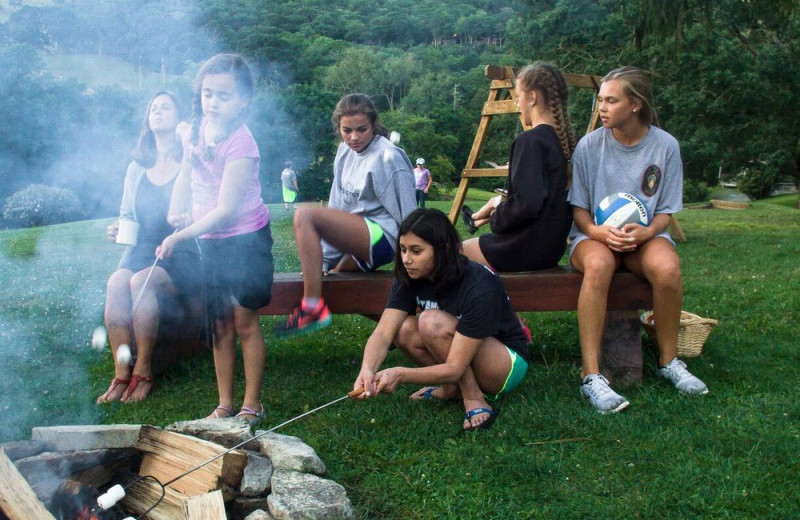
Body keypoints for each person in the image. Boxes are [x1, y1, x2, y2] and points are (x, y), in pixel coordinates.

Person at [568, 66, 708, 414]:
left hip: (644, 237)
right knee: (598, 265)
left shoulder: (665, 146)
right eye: (600, 100)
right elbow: (579, 212)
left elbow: (666, 210)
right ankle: (591, 376)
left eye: (611, 100)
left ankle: (669, 361)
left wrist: (646, 232)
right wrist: (600, 233)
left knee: (668, 268)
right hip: (593, 236)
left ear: (635, 104)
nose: (602, 107)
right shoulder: (589, 146)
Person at [158, 53, 274, 423]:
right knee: (219, 322)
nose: (213, 102)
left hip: (245, 240)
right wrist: (175, 212)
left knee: (244, 322)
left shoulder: (242, 143)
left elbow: (225, 210)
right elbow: (186, 172)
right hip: (209, 240)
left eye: (224, 96)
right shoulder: (193, 129)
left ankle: (251, 404)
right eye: (208, 94)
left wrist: (180, 237)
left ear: (243, 100)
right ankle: (225, 403)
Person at [353, 208, 530, 431]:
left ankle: (474, 397)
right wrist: (367, 369)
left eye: (416, 251)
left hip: (505, 363)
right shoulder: (410, 276)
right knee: (404, 329)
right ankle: (450, 389)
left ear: (443, 250)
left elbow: (456, 366)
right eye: (403, 249)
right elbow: (383, 333)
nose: (406, 259)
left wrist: (401, 374)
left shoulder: (479, 283)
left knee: (430, 322)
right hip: (463, 353)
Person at [274, 93, 416, 336]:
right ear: (339, 127)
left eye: (362, 129)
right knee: (339, 280)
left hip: (385, 238)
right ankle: (396, 331)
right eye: (347, 130)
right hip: (358, 236)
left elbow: (410, 211)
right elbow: (338, 206)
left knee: (304, 216)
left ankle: (311, 307)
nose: (354, 137)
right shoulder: (344, 152)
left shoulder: (388, 156)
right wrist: (326, 260)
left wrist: (413, 260)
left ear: (373, 125)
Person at [97, 91, 202, 404]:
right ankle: (121, 372)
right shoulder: (137, 166)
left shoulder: (190, 161)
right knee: (116, 282)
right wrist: (118, 229)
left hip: (182, 250)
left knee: (139, 281)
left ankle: (144, 371)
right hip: (141, 249)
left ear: (179, 118)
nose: (157, 111)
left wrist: (188, 219)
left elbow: (206, 209)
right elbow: (128, 215)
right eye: (153, 108)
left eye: (165, 106)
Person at [461, 62, 575, 272]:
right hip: (551, 247)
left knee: (451, 256)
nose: (517, 104)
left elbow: (527, 205)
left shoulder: (531, 141)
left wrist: (496, 217)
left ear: (532, 97)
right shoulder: (566, 141)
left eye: (518, 97)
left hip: (523, 247)